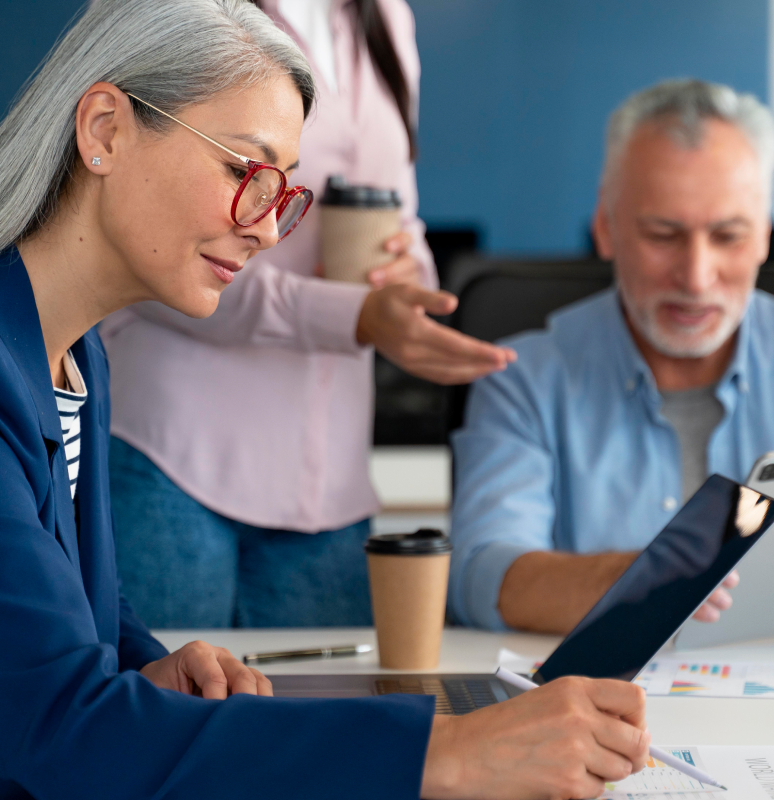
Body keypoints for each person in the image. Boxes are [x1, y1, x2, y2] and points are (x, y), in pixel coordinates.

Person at [0, 1, 649, 797]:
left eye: (283, 193)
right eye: (244, 172)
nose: (270, 233)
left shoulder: (78, 360)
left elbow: (62, 644)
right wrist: (444, 754)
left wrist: (144, 666)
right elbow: (64, 730)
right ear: (103, 130)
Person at [99, 0, 515, 629]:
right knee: (169, 716)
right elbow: (159, 244)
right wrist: (355, 318)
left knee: (322, 720)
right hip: (175, 463)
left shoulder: (387, 19)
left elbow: (399, 214)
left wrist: (409, 282)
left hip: (332, 488)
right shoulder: (188, 11)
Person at [449, 79, 774, 635]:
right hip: (593, 708)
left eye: (729, 236)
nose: (696, 276)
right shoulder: (523, 379)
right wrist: (640, 579)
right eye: (664, 234)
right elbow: (480, 579)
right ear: (606, 228)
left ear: (763, 238)